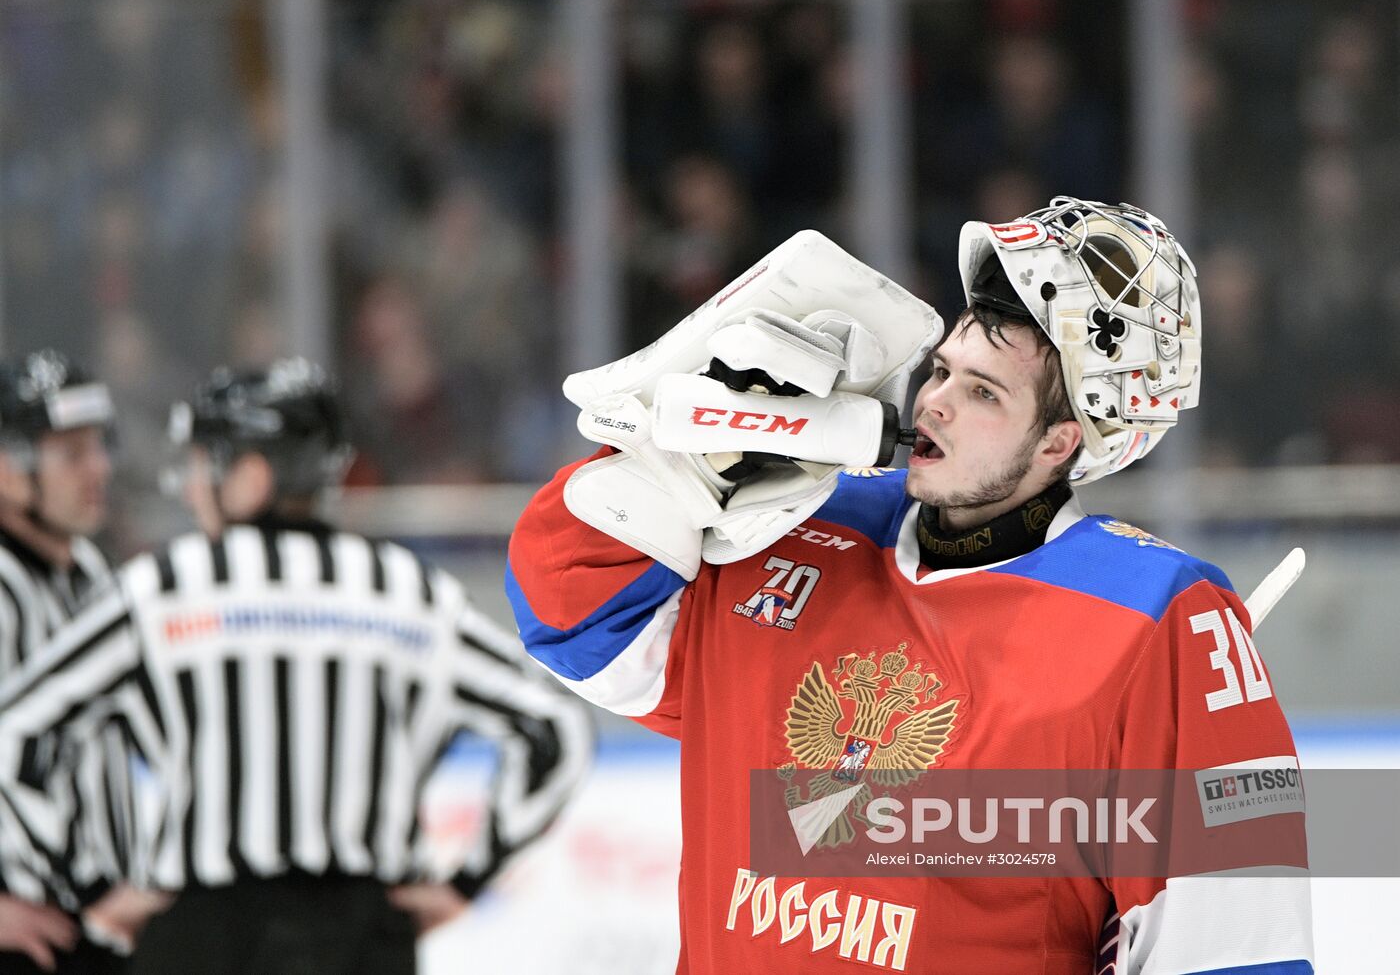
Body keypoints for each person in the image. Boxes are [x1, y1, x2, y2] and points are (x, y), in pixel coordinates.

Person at [506, 200, 1313, 973]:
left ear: (1060, 442)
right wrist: (682, 469)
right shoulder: (796, 516)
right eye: (943, 370)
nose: (935, 402)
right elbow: (571, 619)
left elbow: (1238, 952)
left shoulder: (1155, 619)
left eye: (984, 392)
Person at [0, 358, 592, 975]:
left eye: (205, 465)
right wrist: (464, 882)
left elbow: (16, 734)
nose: (193, 485)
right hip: (364, 940)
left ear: (252, 477)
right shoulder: (407, 592)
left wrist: (92, 889)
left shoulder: (162, 590)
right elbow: (556, 731)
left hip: (205, 938)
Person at [0, 350, 131, 974]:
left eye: (99, 448)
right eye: (71, 455)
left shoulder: (89, 573)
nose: (98, 469)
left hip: (87, 930)